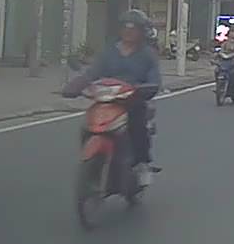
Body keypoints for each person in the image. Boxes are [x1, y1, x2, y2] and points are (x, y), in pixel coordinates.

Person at [65, 9, 162, 187]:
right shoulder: (109, 52)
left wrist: (145, 88)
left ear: (141, 32)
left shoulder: (147, 55)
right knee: (87, 125)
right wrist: (75, 85)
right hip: (107, 99)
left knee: (138, 125)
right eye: (125, 27)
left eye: (133, 28)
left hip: (133, 100)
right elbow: (92, 73)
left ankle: (142, 164)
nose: (128, 31)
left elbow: (154, 79)